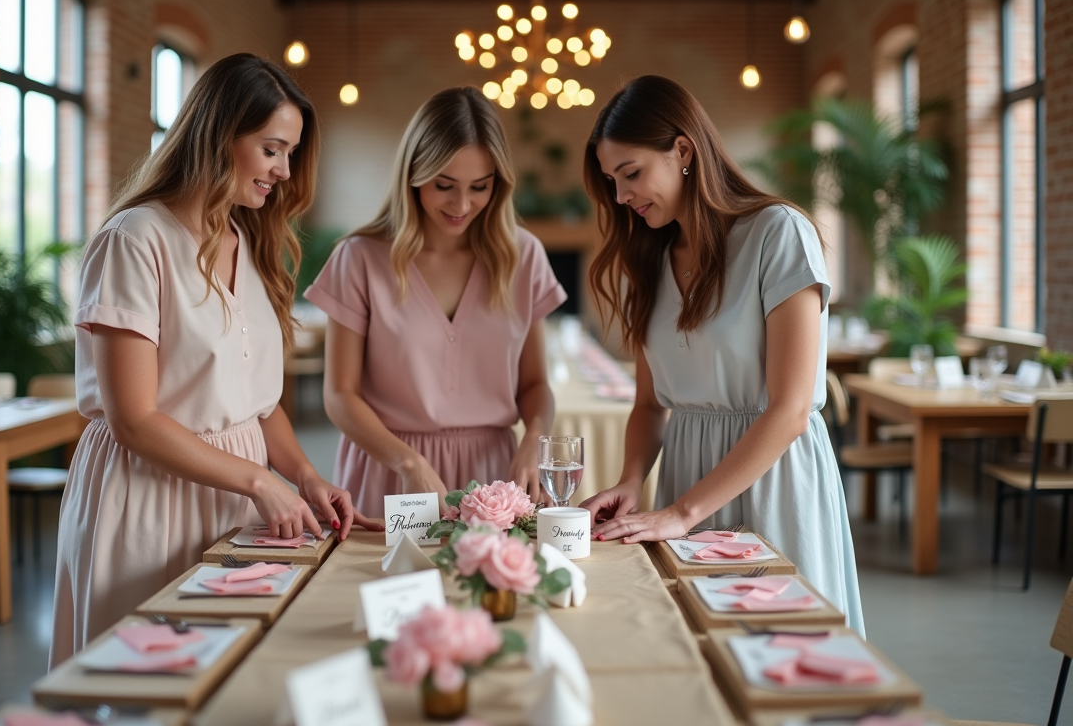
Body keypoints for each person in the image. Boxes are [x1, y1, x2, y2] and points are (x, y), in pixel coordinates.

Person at [50, 54, 377, 666]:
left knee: (221, 670)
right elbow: (133, 419)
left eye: (290, 154)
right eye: (271, 150)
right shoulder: (134, 239)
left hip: (235, 498)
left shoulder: (247, 239)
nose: (284, 171)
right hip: (148, 497)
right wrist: (260, 481)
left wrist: (305, 476)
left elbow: (256, 405)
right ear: (219, 136)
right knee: (145, 677)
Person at [579, 75, 864, 634]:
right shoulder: (650, 258)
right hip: (686, 476)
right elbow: (649, 404)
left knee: (783, 651)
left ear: (684, 150)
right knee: (706, 651)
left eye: (631, 173)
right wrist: (632, 481)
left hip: (773, 478)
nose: (620, 196)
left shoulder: (777, 234)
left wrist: (682, 512)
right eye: (612, 181)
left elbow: (789, 410)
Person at [305, 87, 567, 517]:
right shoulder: (360, 258)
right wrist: (408, 463)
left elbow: (535, 384)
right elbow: (339, 394)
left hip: (493, 475)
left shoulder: (524, 256)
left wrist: (535, 440)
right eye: (443, 185)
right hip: (391, 468)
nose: (461, 205)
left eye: (479, 187)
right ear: (413, 174)